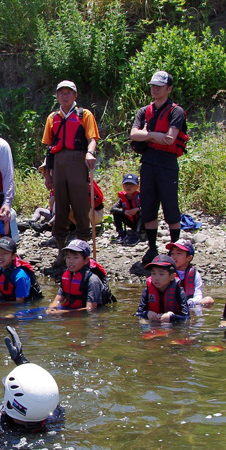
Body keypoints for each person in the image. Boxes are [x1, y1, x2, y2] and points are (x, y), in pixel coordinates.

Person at [129, 70, 188, 265]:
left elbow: (170, 140)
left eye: (159, 87)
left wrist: (146, 134)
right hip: (148, 162)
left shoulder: (175, 111)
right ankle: (152, 248)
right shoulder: (144, 111)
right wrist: (154, 135)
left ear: (169, 89)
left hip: (167, 164)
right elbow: (133, 135)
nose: (155, 89)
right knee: (149, 207)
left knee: (171, 206)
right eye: (153, 86)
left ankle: (176, 248)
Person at [40, 80, 99, 259]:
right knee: (61, 207)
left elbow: (92, 138)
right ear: (57, 96)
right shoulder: (52, 118)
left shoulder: (84, 115)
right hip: (58, 164)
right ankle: (61, 249)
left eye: (68, 93)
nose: (64, 96)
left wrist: (90, 153)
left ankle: (83, 249)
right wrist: (47, 173)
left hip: (77, 161)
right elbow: (49, 148)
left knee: (81, 206)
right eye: (61, 93)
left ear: (75, 95)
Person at [47, 239, 115, 314]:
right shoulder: (67, 276)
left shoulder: (92, 280)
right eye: (68, 257)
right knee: (36, 314)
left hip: (87, 313)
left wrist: (62, 312)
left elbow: (90, 308)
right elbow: (57, 300)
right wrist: (51, 308)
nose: (70, 261)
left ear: (86, 260)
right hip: (70, 309)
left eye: (75, 257)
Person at [0, 237, 43, 305]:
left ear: (14, 256)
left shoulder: (20, 276)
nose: (0, 256)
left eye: (5, 253)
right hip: (8, 301)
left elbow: (20, 302)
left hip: (25, 305)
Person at [135, 255, 189, 325]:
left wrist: (172, 317)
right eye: (153, 273)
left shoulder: (178, 291)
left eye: (161, 274)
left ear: (172, 276)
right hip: (153, 322)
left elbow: (186, 317)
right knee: (142, 322)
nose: (156, 278)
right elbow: (138, 314)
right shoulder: (147, 290)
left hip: (171, 324)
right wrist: (147, 313)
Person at [166, 238, 213, 307]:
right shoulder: (167, 272)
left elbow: (198, 296)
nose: (174, 256)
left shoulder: (195, 275)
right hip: (172, 304)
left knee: (209, 300)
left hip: (189, 304)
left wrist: (190, 302)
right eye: (172, 253)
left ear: (189, 258)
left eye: (179, 253)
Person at [110, 173, 142, 245]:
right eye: (126, 184)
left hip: (142, 224)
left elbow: (149, 207)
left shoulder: (141, 196)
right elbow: (112, 209)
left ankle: (137, 234)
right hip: (131, 222)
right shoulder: (122, 198)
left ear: (137, 186)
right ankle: (121, 233)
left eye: (132, 184)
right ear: (123, 185)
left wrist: (137, 209)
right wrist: (125, 211)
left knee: (143, 212)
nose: (129, 186)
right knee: (116, 212)